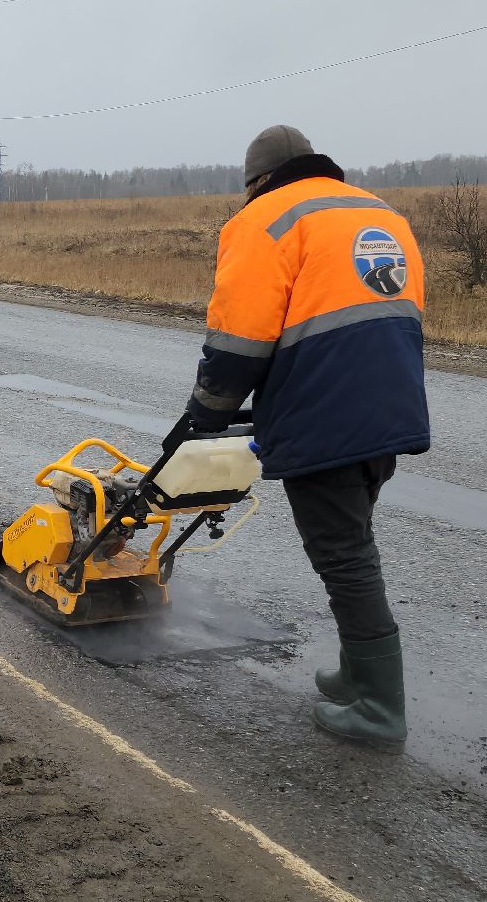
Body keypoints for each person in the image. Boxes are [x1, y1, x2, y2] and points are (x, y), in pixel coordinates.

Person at [171, 124, 429, 750]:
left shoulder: (268, 220)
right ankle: (356, 674)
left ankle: (379, 709)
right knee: (353, 535)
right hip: (391, 403)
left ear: (257, 181)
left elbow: (240, 337)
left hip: (327, 409)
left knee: (343, 556)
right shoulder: (377, 212)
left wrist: (207, 411)